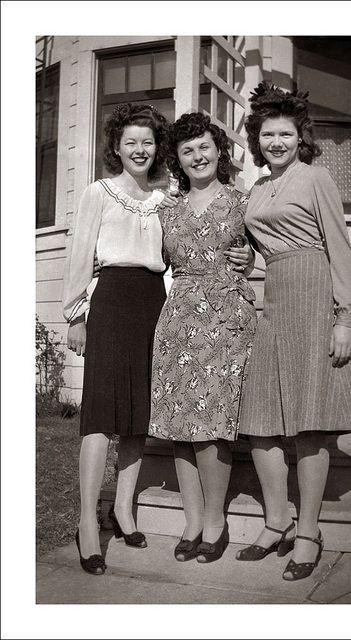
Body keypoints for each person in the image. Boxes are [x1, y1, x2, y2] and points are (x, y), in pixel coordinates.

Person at [237, 83, 351, 581]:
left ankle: (308, 531)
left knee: (310, 424)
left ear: (299, 137)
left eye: (284, 134)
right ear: (257, 139)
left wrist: (346, 319)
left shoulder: (316, 178)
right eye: (267, 134)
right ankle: (276, 522)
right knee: (260, 420)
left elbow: (341, 247)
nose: (276, 142)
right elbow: (255, 241)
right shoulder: (256, 188)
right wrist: (240, 258)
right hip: (273, 297)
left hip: (314, 292)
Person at [63, 103, 177, 575]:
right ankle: (88, 522)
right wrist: (75, 314)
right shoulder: (99, 192)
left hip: (153, 303)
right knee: (101, 415)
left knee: (137, 417)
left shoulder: (168, 197)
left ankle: (123, 510)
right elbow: (80, 253)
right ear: (116, 146)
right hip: (109, 302)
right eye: (131, 141)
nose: (139, 149)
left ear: (157, 148)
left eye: (147, 142)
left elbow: (180, 253)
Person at [149, 113, 257, 563]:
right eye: (188, 150)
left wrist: (248, 258)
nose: (198, 156)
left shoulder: (242, 201)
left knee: (213, 424)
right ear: (177, 159)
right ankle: (191, 520)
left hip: (226, 315)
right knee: (180, 423)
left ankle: (215, 521)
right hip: (178, 318)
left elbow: (262, 250)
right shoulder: (166, 209)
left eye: (205, 147)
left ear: (219, 150)